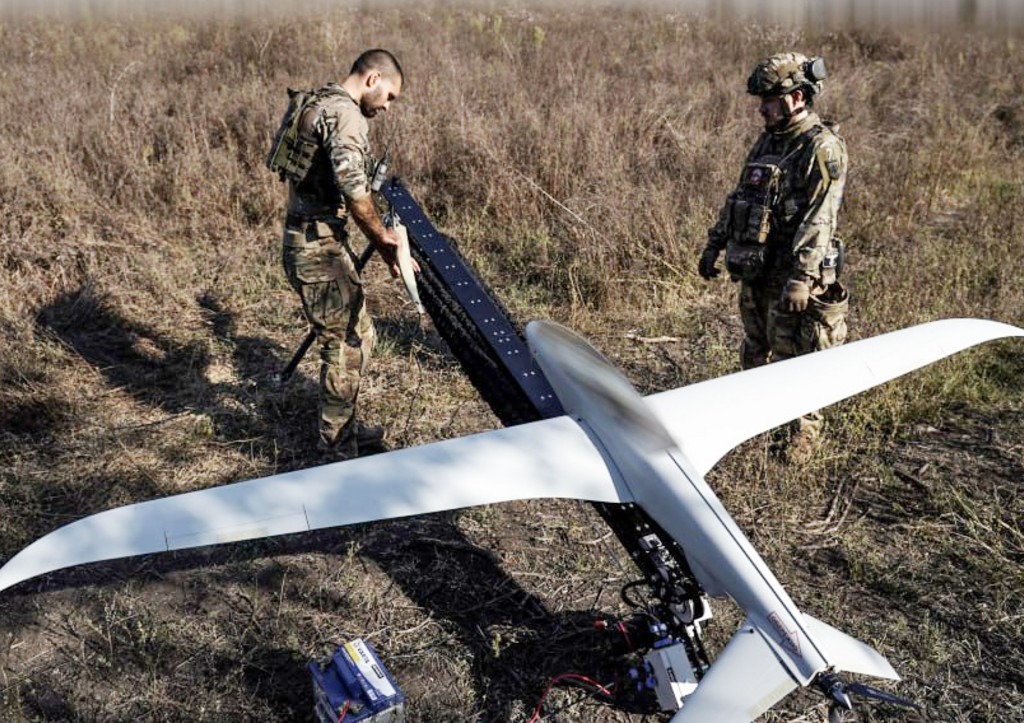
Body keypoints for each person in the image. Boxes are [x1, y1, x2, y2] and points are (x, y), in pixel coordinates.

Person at [697, 52, 849, 458]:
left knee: (795, 356)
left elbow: (821, 217)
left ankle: (801, 437)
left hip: (791, 275)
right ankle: (757, 422)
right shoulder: (770, 140)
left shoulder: (821, 147)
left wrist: (802, 278)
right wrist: (715, 243)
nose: (761, 109)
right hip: (758, 270)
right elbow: (741, 197)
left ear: (796, 97)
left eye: (768, 100)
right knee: (755, 349)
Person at [269, 49, 405, 458]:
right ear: (372, 78)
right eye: (389, 96)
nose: (386, 106)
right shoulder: (345, 115)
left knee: (361, 334)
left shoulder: (318, 100)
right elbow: (354, 190)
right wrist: (381, 238)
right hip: (318, 249)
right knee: (344, 346)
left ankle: (344, 428)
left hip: (315, 240)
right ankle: (336, 451)